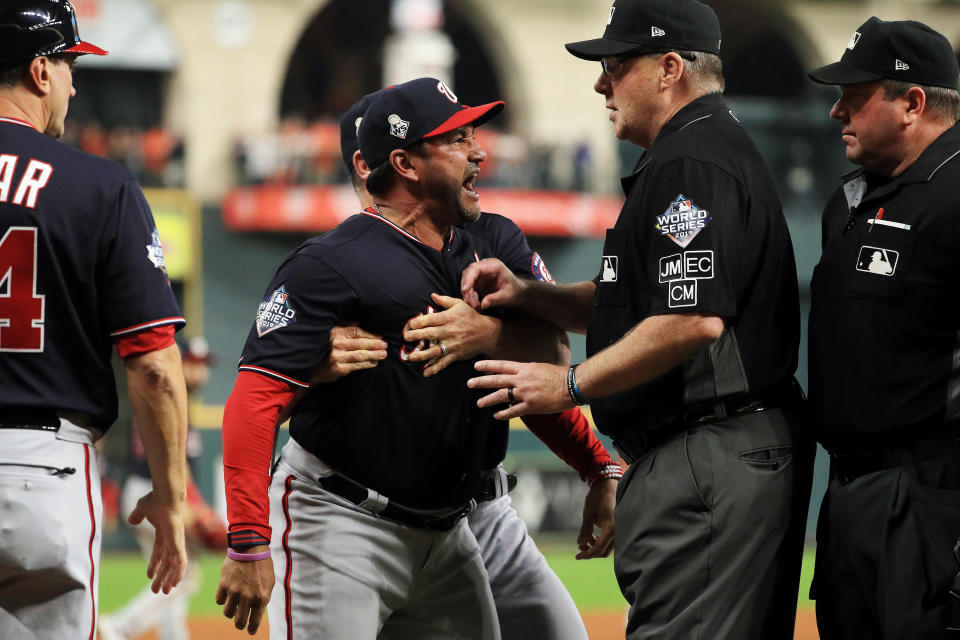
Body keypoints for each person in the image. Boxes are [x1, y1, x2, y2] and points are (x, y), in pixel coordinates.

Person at [462, 0, 814, 638]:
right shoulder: (688, 151)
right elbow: (633, 302)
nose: (601, 82)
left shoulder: (693, 159)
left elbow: (693, 321)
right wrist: (528, 295)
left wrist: (569, 385)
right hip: (708, 448)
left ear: (670, 68)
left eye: (616, 65)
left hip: (710, 443)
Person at [215, 78, 598, 639]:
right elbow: (253, 401)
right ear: (406, 164)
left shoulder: (483, 246)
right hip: (340, 519)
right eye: (456, 139)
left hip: (452, 528)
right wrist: (248, 540)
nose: (479, 151)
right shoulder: (332, 262)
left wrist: (596, 462)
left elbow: (539, 366)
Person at [0, 2, 188, 639]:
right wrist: (171, 498)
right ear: (38, 71)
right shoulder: (100, 185)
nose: (75, 83)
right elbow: (156, 369)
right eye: (69, 63)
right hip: (41, 467)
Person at [806, 17, 960, 639]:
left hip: (931, 498)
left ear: (913, 103)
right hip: (849, 495)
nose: (837, 108)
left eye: (857, 94)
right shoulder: (848, 200)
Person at [99, 337, 227, 640]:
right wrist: (199, 512)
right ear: (177, 363)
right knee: (183, 577)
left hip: (144, 491)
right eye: (194, 364)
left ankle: (173, 635)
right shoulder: (174, 403)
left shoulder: (159, 398)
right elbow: (177, 471)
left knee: (175, 575)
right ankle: (119, 626)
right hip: (156, 494)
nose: (200, 373)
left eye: (203, 365)